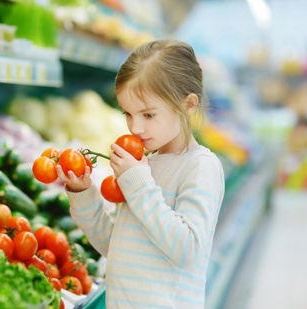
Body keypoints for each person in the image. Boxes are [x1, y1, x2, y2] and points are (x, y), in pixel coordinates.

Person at [55, 39, 225, 309]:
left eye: (148, 114)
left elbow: (187, 250)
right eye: (128, 114)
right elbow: (116, 246)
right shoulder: (144, 164)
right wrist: (83, 192)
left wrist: (140, 183)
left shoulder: (201, 166)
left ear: (188, 105)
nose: (135, 127)